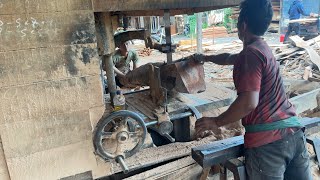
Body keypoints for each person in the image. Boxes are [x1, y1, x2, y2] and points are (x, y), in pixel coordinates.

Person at [195, 0, 312, 179]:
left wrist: (216, 121)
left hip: (269, 145)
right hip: (294, 135)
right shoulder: (261, 49)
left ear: (243, 25)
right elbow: (229, 57)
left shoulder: (250, 55)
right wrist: (206, 58)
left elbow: (248, 103)